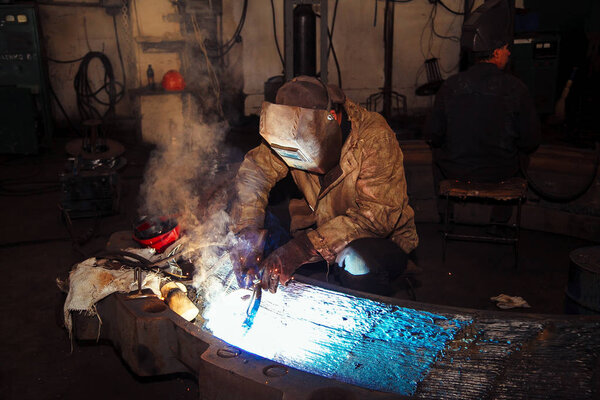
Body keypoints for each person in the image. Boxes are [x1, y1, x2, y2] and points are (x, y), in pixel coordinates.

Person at [229, 76, 418, 296]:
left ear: (334, 118)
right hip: (321, 230)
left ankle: (367, 321)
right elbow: (256, 173)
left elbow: (375, 218)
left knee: (355, 259)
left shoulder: (374, 138)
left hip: (380, 242)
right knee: (260, 229)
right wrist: (248, 231)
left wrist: (302, 248)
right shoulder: (289, 131)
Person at [424, 0, 541, 223]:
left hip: (456, 172)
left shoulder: (450, 86)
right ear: (497, 52)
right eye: (506, 49)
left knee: (435, 155)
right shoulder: (517, 88)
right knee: (523, 155)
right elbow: (531, 141)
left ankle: (446, 218)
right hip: (500, 174)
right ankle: (499, 222)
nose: (508, 54)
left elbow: (433, 135)